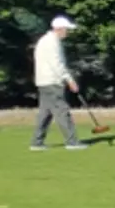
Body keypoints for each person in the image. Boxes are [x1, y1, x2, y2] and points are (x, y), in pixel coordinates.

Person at [30, 16, 86, 151]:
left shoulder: (45, 40)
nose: (68, 32)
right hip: (52, 81)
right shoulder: (52, 43)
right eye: (66, 29)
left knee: (46, 113)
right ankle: (72, 142)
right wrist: (70, 80)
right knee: (62, 111)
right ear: (59, 29)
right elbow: (58, 65)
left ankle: (37, 142)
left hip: (43, 81)